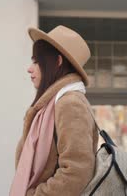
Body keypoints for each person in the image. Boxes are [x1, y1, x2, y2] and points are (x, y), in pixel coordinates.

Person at [10, 25, 97, 196]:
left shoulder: (70, 103)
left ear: (57, 62)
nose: (29, 68)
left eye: (36, 61)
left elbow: (76, 172)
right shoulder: (51, 105)